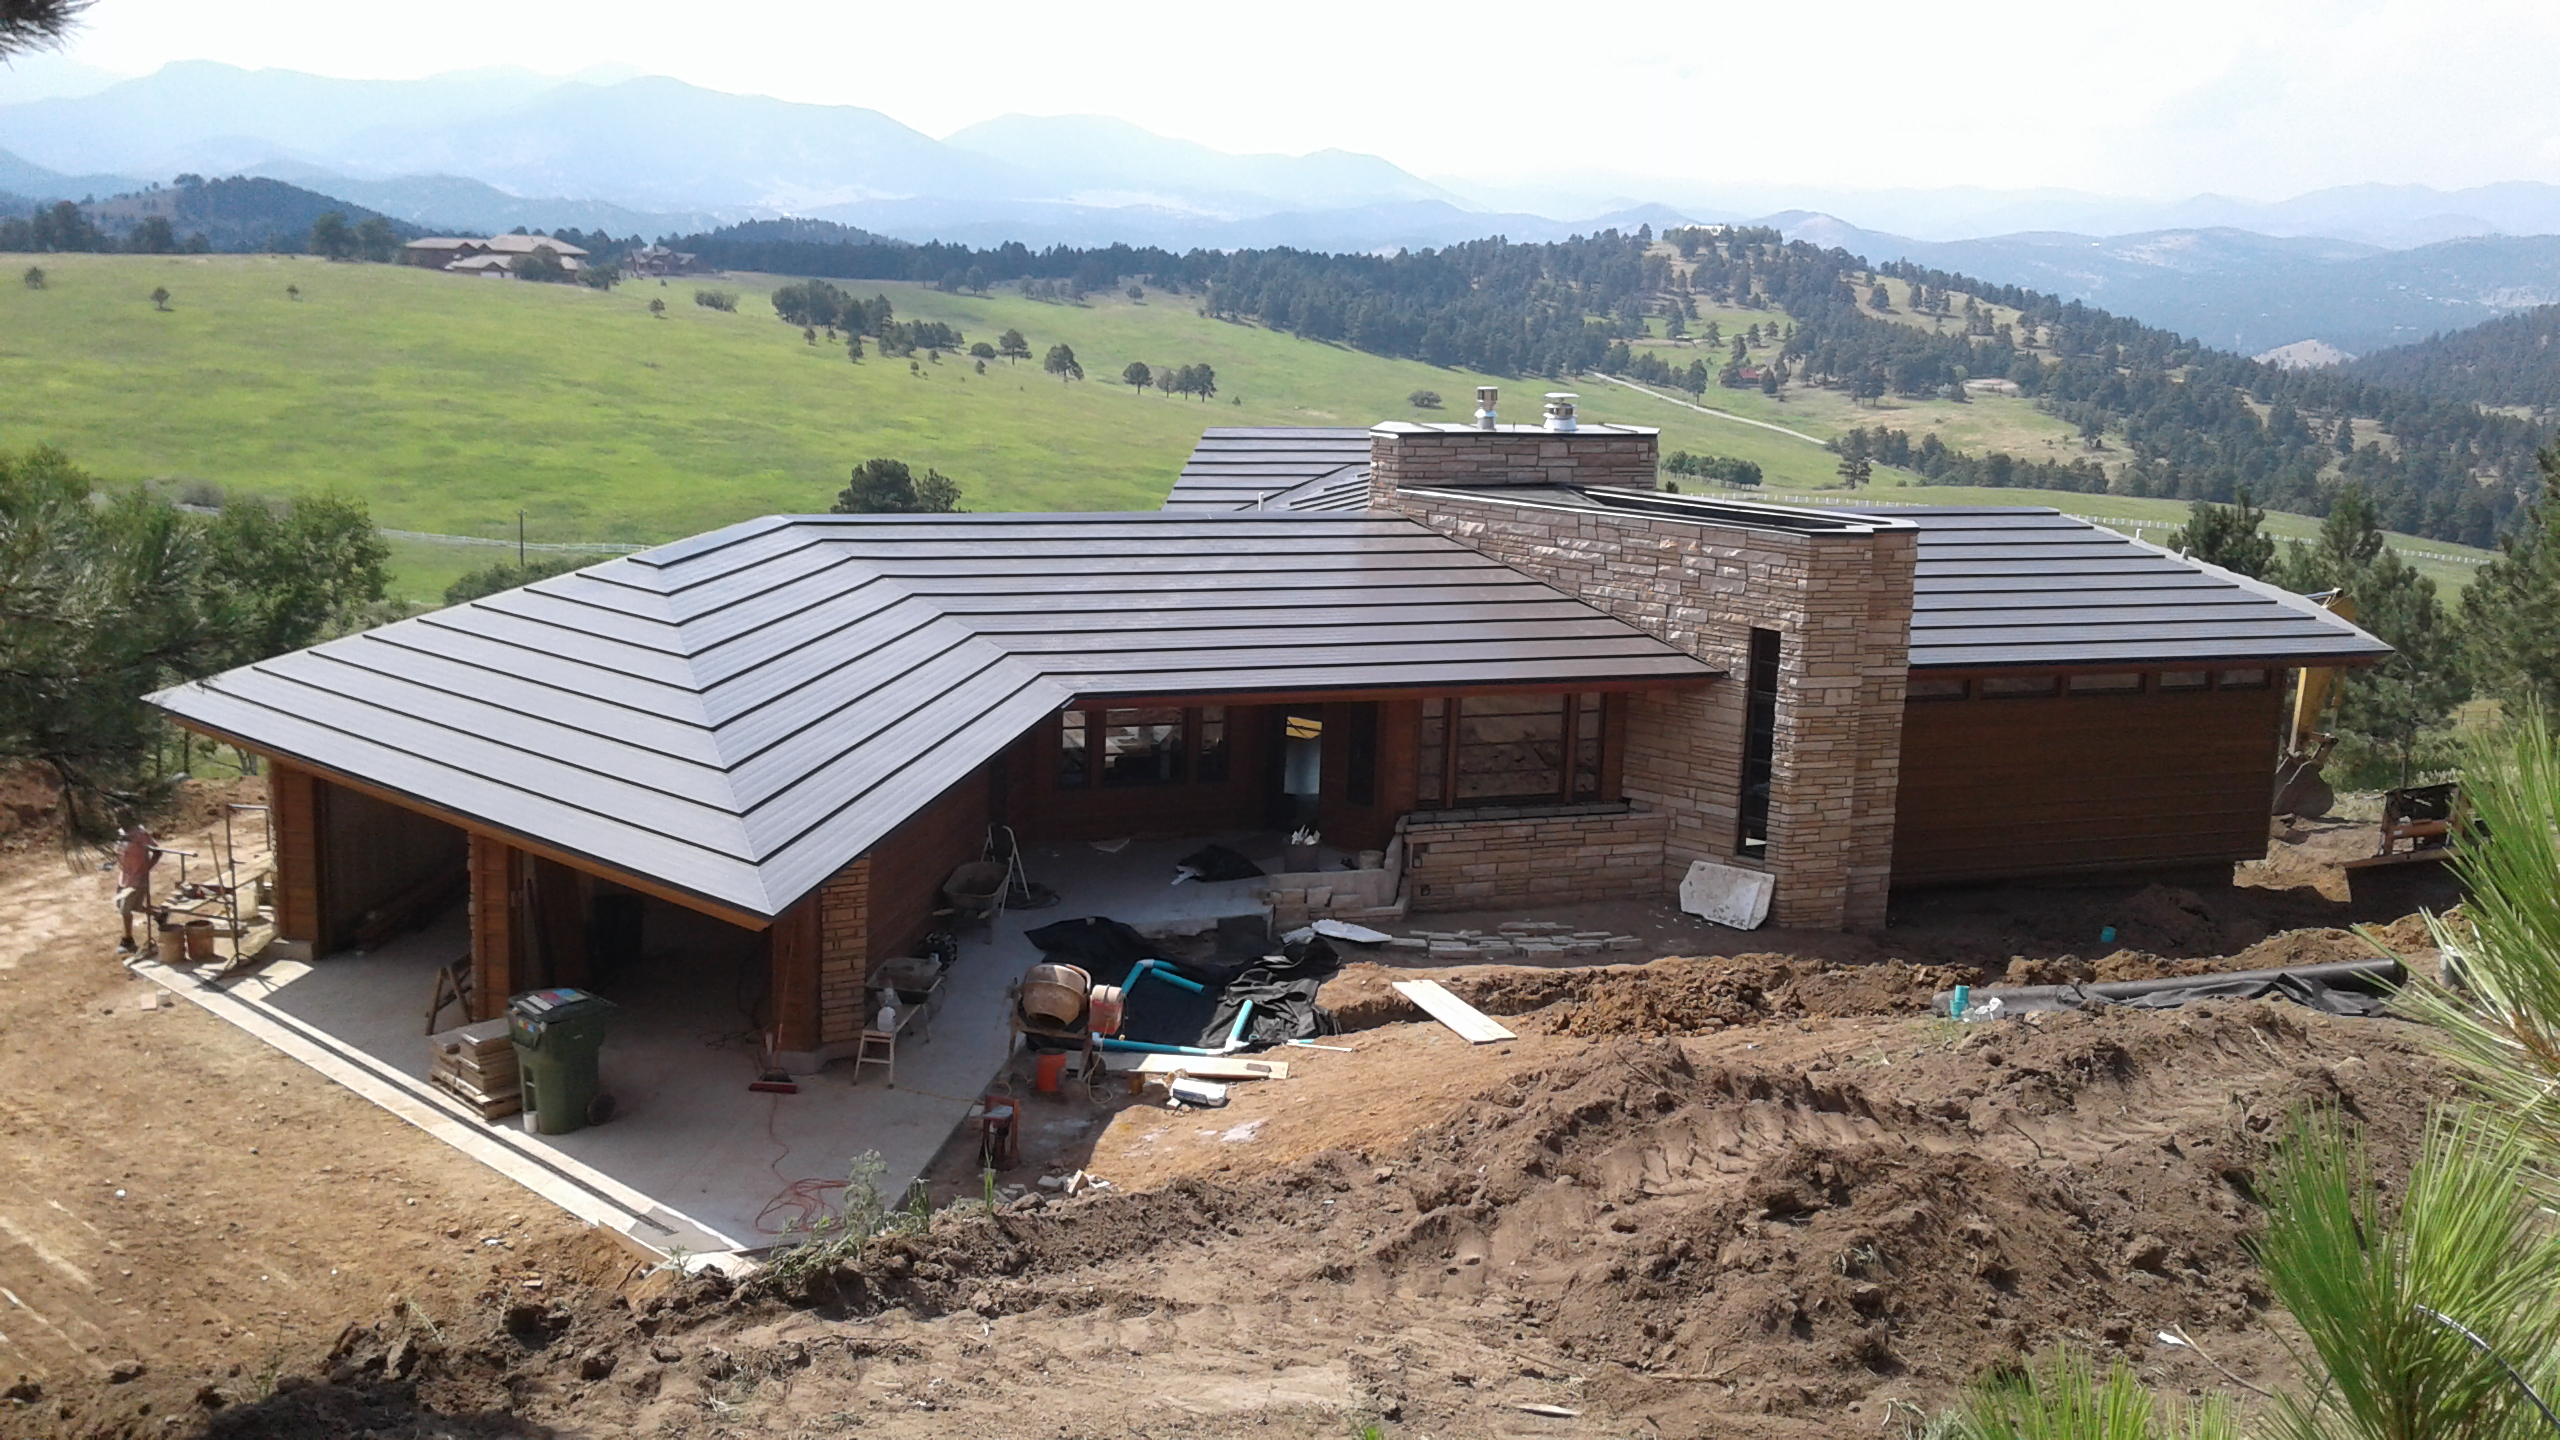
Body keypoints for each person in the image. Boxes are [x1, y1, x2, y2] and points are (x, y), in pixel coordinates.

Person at [114, 823, 161, 954]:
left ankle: (128, 940)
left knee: (125, 909)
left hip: (137, 878)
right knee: (131, 906)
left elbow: (157, 851)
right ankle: (159, 914)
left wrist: (146, 869)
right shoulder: (120, 832)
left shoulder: (140, 834)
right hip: (124, 877)